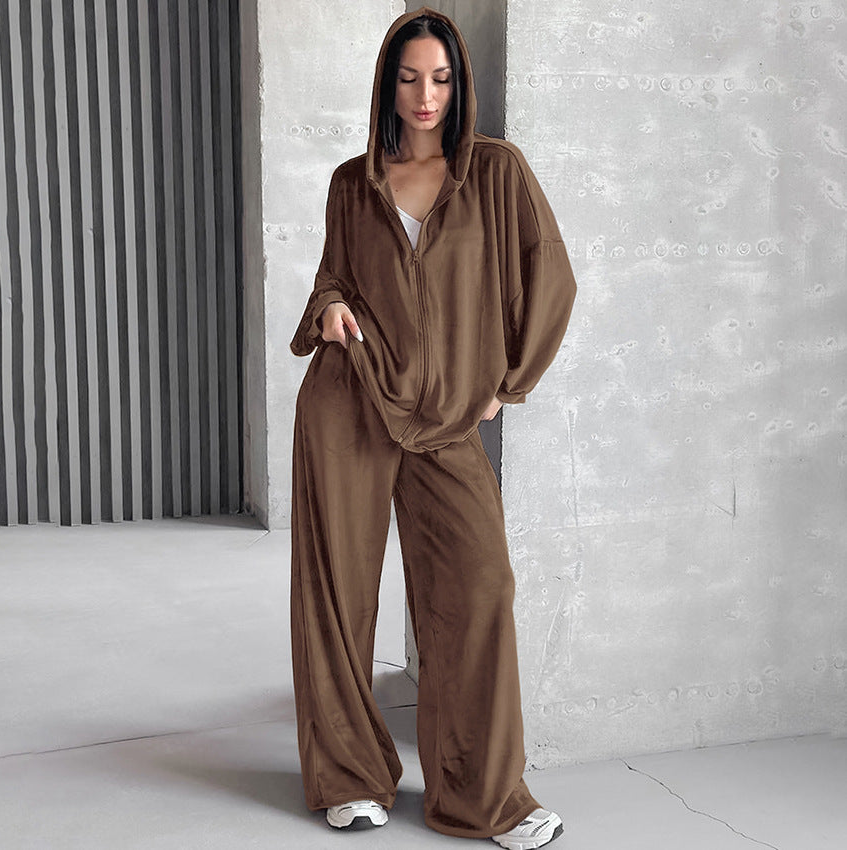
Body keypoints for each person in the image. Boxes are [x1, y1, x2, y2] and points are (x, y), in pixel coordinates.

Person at [288, 7, 577, 849]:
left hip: (448, 419)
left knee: (479, 587)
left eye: (442, 79)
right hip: (350, 401)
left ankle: (484, 797)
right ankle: (349, 776)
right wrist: (330, 308)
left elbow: (551, 274)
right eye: (411, 78)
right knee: (338, 594)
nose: (426, 95)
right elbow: (331, 279)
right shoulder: (353, 182)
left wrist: (506, 386)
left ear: (460, 85)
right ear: (388, 84)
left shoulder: (495, 171)